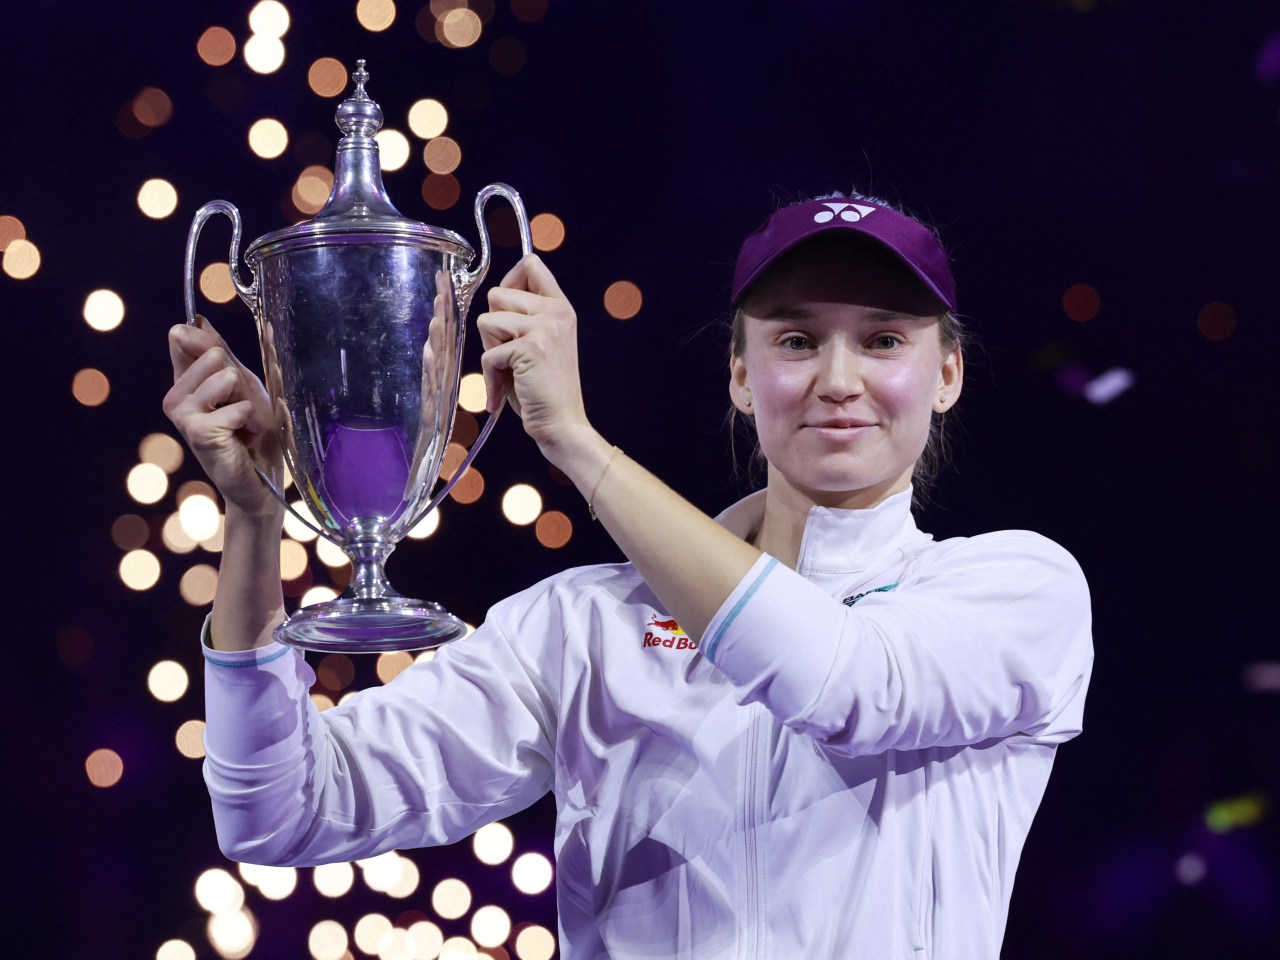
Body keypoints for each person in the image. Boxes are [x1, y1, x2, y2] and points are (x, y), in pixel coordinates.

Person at [164, 193, 1093, 959]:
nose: (838, 378)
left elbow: (843, 681)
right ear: (741, 376)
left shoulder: (1015, 592)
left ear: (948, 375)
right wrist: (252, 527)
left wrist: (576, 443)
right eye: (797, 340)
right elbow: (280, 813)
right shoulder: (585, 627)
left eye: (885, 340)